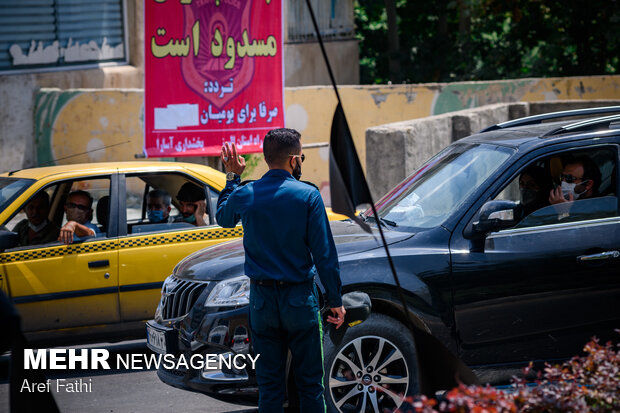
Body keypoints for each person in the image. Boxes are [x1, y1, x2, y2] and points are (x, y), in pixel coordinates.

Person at [216, 129, 345, 413]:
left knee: (270, 387)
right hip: (299, 300)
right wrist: (335, 300)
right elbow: (324, 254)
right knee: (310, 385)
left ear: (265, 158)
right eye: (301, 157)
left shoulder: (246, 193)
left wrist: (232, 177)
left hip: (262, 303)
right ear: (294, 159)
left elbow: (223, 218)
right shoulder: (308, 195)